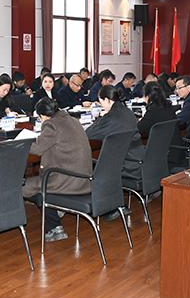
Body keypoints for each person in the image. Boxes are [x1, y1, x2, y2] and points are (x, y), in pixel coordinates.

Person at [23, 98, 93, 241]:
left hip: (66, 180)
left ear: (44, 115)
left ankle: (54, 226)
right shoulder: (73, 120)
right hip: (84, 179)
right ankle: (56, 208)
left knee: (23, 187)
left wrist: (19, 142)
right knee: (39, 183)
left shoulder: (51, 124)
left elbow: (37, 149)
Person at [85, 85, 143, 180]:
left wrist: (100, 118)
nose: (102, 106)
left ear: (107, 100)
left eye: (101, 102)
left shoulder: (110, 117)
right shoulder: (128, 112)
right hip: (137, 159)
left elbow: (88, 134)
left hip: (124, 165)